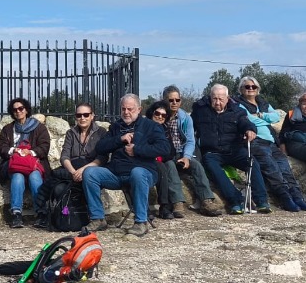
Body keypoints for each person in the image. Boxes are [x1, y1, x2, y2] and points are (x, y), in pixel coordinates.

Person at [83, 94, 171, 235]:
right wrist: (120, 139)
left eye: (130, 109)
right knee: (90, 173)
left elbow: (165, 149)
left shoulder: (151, 126)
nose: (126, 112)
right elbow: (100, 147)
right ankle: (98, 219)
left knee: (137, 172)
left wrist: (137, 150)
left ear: (139, 109)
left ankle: (141, 222)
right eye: (123, 109)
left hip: (144, 172)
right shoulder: (116, 127)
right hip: (116, 173)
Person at [236, 77, 306, 212]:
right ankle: (285, 198)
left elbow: (276, 116)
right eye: (247, 87)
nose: (250, 89)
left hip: (271, 141)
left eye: (253, 87)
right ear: (241, 89)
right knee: (272, 169)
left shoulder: (263, 103)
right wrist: (265, 119)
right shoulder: (237, 103)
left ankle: (298, 197)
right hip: (255, 141)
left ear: (257, 89)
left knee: (285, 168)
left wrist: (259, 115)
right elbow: (246, 119)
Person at [190, 84, 268, 216]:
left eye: (221, 99)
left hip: (234, 150)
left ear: (227, 98)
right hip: (212, 151)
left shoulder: (237, 110)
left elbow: (246, 122)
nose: (217, 102)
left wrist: (250, 130)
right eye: (214, 99)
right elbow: (190, 126)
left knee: (252, 163)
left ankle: (261, 201)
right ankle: (235, 201)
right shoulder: (200, 109)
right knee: (214, 170)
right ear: (210, 98)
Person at [159, 86, 222, 217]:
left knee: (197, 165)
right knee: (170, 166)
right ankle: (177, 203)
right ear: (164, 100)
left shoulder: (185, 118)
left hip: (182, 152)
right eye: (171, 100)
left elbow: (190, 140)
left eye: (178, 99)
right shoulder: (159, 116)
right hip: (167, 154)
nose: (174, 103)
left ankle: (206, 200)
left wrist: (187, 157)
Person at [0, 97, 51, 228]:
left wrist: (30, 152)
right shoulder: (8, 129)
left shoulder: (39, 127)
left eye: (21, 108)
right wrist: (13, 150)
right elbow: (1, 148)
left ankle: (41, 212)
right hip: (15, 164)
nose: (18, 111)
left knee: (35, 177)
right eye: (15, 110)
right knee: (17, 177)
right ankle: (16, 214)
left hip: (34, 163)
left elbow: (44, 146)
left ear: (26, 110)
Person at [144, 101, 179, 219]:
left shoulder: (165, 130)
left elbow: (171, 151)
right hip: (145, 158)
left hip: (159, 159)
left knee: (167, 166)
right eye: (157, 113)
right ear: (151, 113)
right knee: (161, 168)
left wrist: (159, 157)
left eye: (163, 115)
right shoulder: (144, 126)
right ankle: (162, 206)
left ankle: (167, 205)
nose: (160, 117)